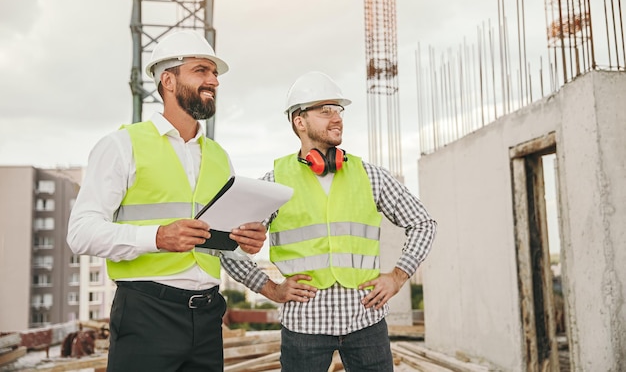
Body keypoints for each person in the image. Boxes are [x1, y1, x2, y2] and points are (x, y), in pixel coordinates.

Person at [66, 30, 268, 372]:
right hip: (146, 314)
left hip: (207, 318)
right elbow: (80, 232)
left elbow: (217, 244)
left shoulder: (220, 157)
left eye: (215, 73)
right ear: (168, 80)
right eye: (201, 70)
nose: (214, 81)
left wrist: (245, 240)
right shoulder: (121, 145)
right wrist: (157, 237)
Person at [228, 71, 437, 371]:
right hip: (304, 328)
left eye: (338, 110)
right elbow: (224, 243)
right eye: (325, 110)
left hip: (367, 322)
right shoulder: (276, 183)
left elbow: (424, 224)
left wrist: (398, 276)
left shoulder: (369, 176)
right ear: (299, 121)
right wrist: (270, 289)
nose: (336, 118)